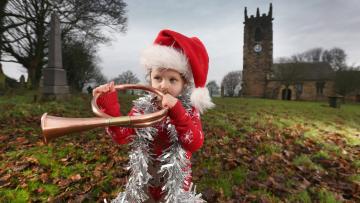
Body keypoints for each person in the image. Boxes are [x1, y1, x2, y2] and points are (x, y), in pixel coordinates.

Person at [93, 29, 214, 203]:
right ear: (150, 79)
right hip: (143, 183)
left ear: (184, 84)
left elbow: (195, 142)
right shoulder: (143, 109)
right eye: (158, 77)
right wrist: (108, 103)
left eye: (172, 80)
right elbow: (121, 136)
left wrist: (178, 112)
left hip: (175, 186)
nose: (163, 86)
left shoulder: (188, 110)